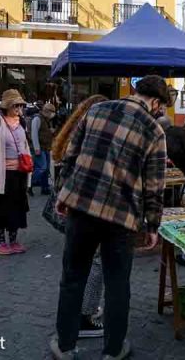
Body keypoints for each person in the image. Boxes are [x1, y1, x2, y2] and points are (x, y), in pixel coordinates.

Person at [51, 75, 169, 360]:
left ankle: (65, 346)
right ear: (154, 101)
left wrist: (63, 195)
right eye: (160, 106)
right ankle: (112, 351)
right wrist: (153, 225)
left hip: (82, 207)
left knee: (72, 278)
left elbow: (70, 155)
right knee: (117, 286)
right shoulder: (154, 131)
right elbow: (154, 185)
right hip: (121, 218)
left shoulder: (96, 110)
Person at [51, 94, 109, 339]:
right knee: (95, 262)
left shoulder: (73, 131)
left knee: (75, 266)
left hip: (75, 208)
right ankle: (85, 315)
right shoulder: (90, 134)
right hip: (88, 208)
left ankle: (72, 319)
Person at [0, 89, 31, 255]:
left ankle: (14, 239)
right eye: (15, 105)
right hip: (3, 174)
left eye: (20, 105)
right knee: (2, 207)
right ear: (7, 106)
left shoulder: (22, 122)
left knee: (18, 206)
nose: (19, 108)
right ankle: (1, 241)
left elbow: (25, 146)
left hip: (20, 172)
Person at [29, 102, 56, 196]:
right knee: (42, 167)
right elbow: (34, 134)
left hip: (46, 147)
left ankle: (45, 188)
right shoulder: (37, 118)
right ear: (47, 111)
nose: (53, 114)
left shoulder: (46, 120)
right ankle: (29, 184)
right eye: (52, 112)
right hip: (40, 148)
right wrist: (36, 148)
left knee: (46, 168)